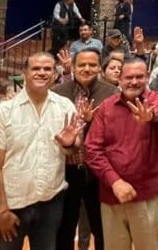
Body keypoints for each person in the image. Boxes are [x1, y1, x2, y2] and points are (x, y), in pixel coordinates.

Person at [0, 52, 81, 250]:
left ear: (55, 74)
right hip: (11, 204)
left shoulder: (65, 106)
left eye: (47, 69)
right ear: (24, 73)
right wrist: (2, 211)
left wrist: (70, 144)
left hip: (50, 202)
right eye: (36, 68)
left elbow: (72, 150)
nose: (42, 73)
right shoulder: (4, 111)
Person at [84, 57, 158, 250]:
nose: (134, 82)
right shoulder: (106, 107)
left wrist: (150, 116)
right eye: (129, 77)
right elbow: (92, 149)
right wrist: (115, 182)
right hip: (112, 195)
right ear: (120, 79)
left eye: (139, 77)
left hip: (148, 195)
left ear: (147, 77)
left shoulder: (157, 100)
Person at [52, 47, 117, 250]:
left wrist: (92, 121)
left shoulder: (111, 93)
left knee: (102, 229)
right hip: (66, 172)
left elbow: (116, 133)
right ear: (73, 66)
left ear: (99, 68)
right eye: (82, 65)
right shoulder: (57, 93)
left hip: (97, 173)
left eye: (92, 65)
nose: (86, 69)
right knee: (64, 229)